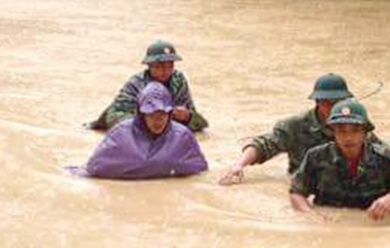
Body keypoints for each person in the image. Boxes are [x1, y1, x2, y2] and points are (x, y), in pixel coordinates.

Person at [290, 98, 390, 221]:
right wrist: (311, 215)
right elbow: (296, 192)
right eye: (341, 130)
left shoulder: (384, 158)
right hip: (331, 225)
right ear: (333, 132)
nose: (348, 137)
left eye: (355, 130)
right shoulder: (315, 157)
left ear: (365, 133)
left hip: (374, 224)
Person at [219, 72, 359, 185]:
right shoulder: (295, 126)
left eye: (338, 102)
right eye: (327, 103)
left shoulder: (355, 124)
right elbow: (263, 145)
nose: (333, 107)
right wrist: (239, 165)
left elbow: (376, 152)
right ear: (318, 102)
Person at [76, 81, 208, 179]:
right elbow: (92, 169)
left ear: (170, 114)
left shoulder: (183, 137)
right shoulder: (120, 134)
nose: (158, 121)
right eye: (151, 115)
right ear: (141, 114)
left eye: (163, 114)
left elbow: (201, 173)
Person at [90, 39, 208, 132]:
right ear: (149, 66)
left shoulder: (178, 81)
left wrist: (188, 117)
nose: (165, 71)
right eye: (159, 66)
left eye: (169, 66)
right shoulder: (136, 83)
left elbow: (200, 123)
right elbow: (114, 117)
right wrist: (147, 119)